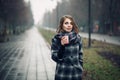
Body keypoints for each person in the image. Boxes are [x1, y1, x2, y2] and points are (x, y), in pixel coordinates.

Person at [51, 15, 83, 80]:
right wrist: (62, 46)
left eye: (71, 23)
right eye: (66, 23)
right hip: (63, 74)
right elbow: (54, 57)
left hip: (76, 74)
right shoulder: (57, 39)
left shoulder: (78, 38)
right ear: (62, 25)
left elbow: (80, 55)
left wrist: (80, 68)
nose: (69, 25)